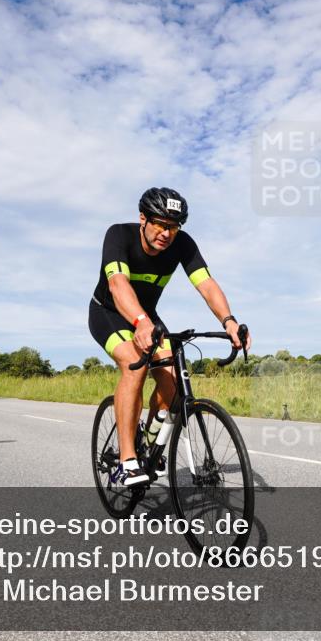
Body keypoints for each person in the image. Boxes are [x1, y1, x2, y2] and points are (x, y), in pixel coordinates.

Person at [89, 187, 251, 487]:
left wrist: (229, 320)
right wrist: (140, 322)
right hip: (109, 312)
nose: (167, 233)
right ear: (143, 219)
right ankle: (127, 460)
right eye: (160, 224)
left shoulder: (182, 244)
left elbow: (206, 284)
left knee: (173, 383)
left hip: (147, 318)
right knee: (134, 364)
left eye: (173, 227)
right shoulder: (119, 235)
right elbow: (118, 284)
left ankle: (150, 441)